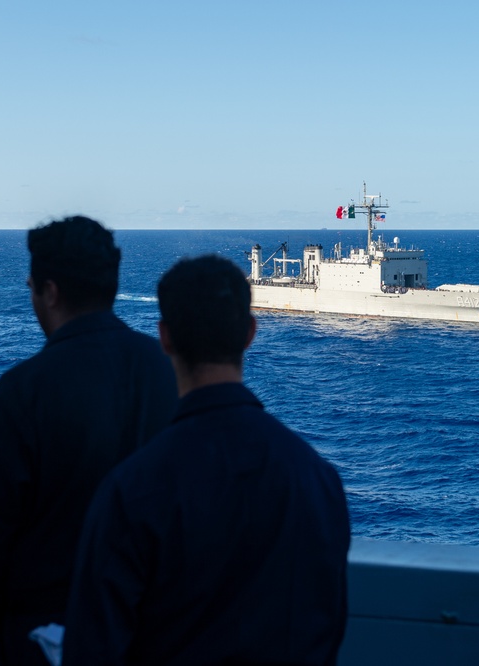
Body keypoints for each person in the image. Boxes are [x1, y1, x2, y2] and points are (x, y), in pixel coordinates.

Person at [62, 255, 351, 665]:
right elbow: (329, 624)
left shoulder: (132, 490)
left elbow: (93, 648)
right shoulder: (317, 478)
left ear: (164, 338)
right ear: (250, 333)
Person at [0, 216, 177, 665]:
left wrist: (20, 630)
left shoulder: (20, 392)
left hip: (47, 633)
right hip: (161, 631)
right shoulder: (171, 373)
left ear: (50, 291)